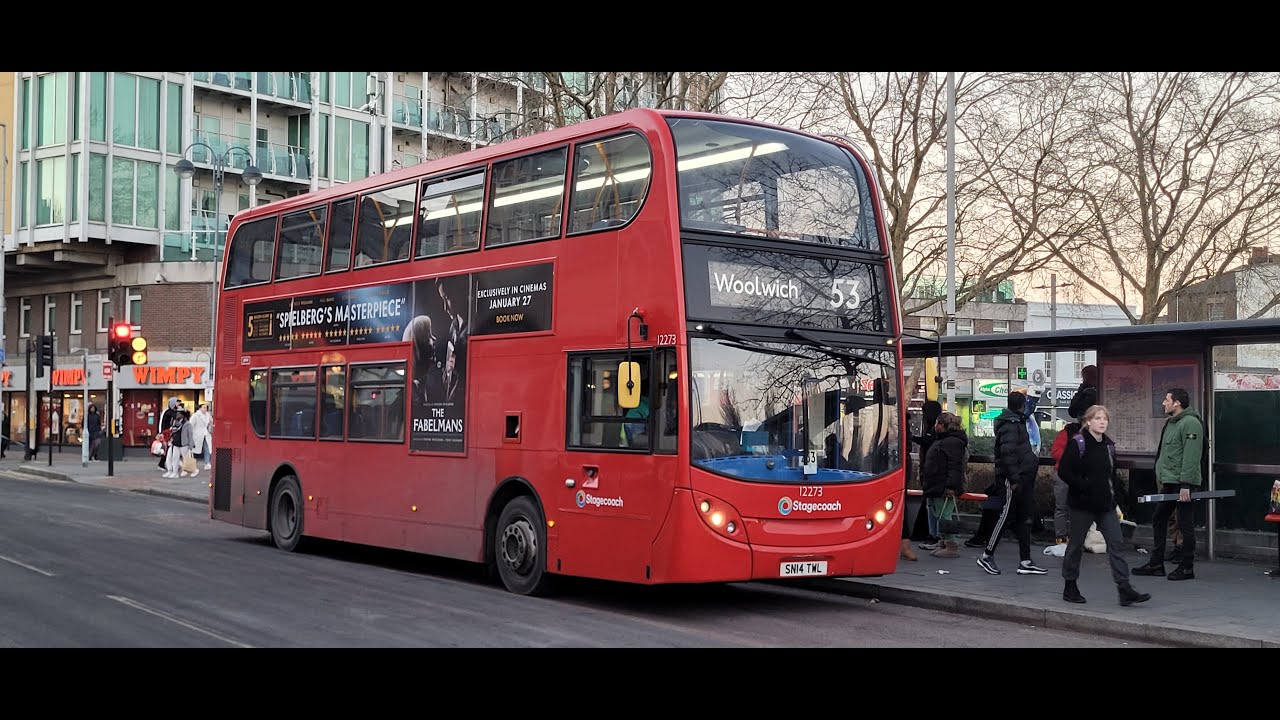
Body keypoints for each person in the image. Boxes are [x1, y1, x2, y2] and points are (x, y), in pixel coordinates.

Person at [1057, 404, 1151, 606]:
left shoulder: (1108, 445)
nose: (1102, 422)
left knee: (1116, 543)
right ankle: (1070, 585)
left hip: (1105, 505)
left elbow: (1111, 475)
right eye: (1098, 418)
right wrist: (1084, 486)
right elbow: (1064, 471)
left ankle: (1124, 588)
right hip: (1082, 505)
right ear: (1088, 421)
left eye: (1105, 419)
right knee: (1075, 545)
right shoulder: (1078, 443)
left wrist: (1115, 498)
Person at [1133, 387, 1203, 581]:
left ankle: (1187, 567)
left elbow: (1191, 456)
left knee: (1184, 523)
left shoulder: (1190, 423)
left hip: (1182, 483)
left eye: (1166, 399)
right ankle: (1156, 563)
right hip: (1170, 481)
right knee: (1159, 518)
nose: (1163, 403)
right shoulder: (1171, 423)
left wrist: (1186, 485)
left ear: (1177, 402)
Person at [977, 391, 1046, 576]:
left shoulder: (1014, 421)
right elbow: (1008, 454)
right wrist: (1014, 479)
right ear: (1021, 406)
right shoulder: (1011, 424)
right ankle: (986, 555)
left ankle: (1025, 560)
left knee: (1024, 518)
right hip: (1013, 479)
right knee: (1006, 516)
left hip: (1020, 477)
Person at [920, 411, 968, 558]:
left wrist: (951, 486)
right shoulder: (948, 440)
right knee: (939, 512)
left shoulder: (951, 442)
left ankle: (951, 544)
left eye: (937, 423)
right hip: (938, 483)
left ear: (942, 425)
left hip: (943, 485)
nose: (935, 426)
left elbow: (954, 466)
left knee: (944, 514)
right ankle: (943, 542)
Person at [911, 401, 943, 554]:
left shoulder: (934, 431)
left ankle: (929, 534)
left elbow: (927, 442)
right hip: (930, 471)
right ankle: (926, 532)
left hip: (932, 473)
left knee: (930, 503)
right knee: (929, 503)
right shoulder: (932, 429)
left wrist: (912, 438)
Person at [1049, 420, 1083, 546]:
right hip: (1066, 475)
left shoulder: (1065, 433)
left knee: (1065, 508)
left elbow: (1055, 452)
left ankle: (1070, 537)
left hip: (1069, 474)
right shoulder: (1066, 433)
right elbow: (1055, 453)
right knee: (1063, 507)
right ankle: (1062, 537)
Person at [157, 398, 180, 470]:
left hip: (171, 433)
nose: (178, 404)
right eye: (177, 402)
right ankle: (162, 464)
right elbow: (161, 423)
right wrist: (161, 433)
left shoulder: (174, 411)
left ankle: (172, 464)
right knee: (166, 449)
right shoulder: (167, 412)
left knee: (171, 449)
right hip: (166, 433)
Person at [190, 403, 213, 470]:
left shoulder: (208, 415)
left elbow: (211, 422)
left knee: (207, 448)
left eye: (206, 407)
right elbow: (191, 425)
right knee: (195, 450)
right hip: (197, 434)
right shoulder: (195, 415)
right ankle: (192, 464)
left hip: (206, 434)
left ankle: (207, 463)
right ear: (200, 408)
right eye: (204, 407)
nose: (205, 409)